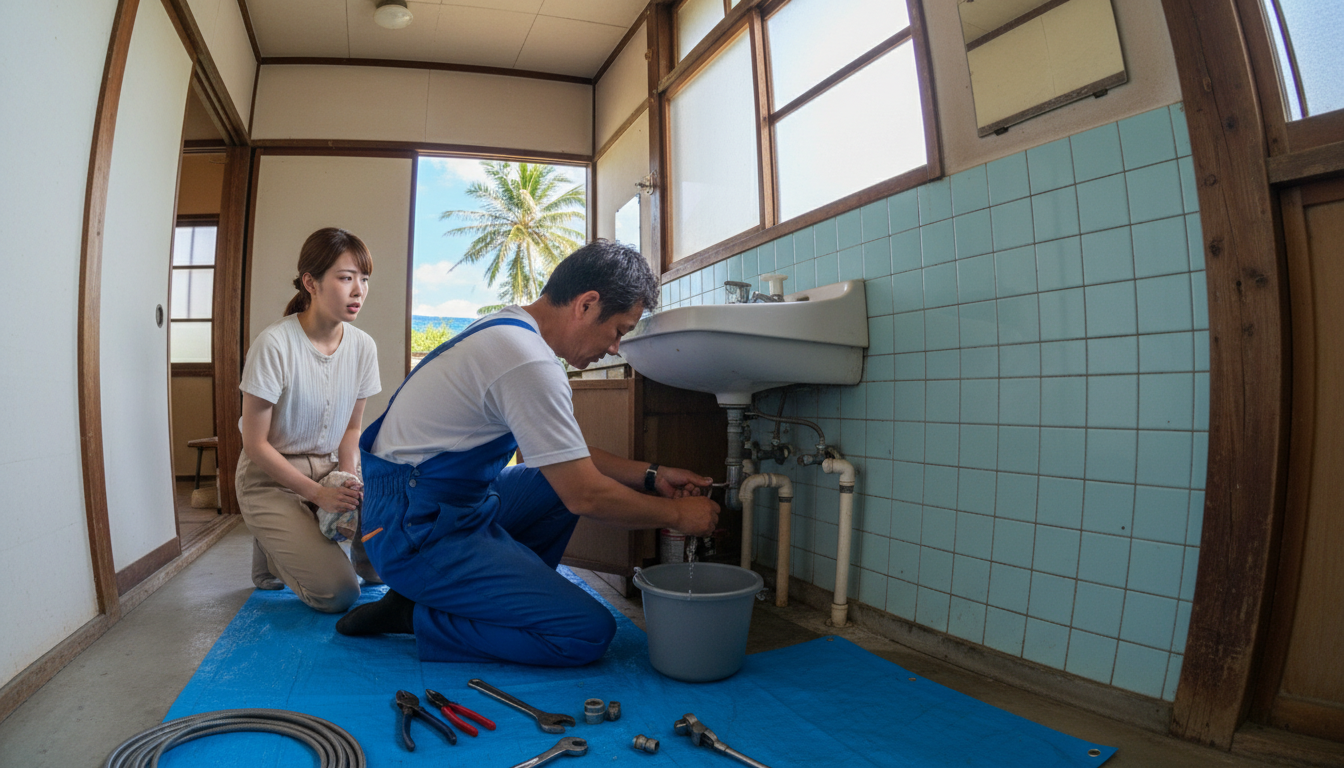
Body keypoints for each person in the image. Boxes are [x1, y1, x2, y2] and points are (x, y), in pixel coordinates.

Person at [336, 240, 719, 666]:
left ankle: (482, 596)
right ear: (587, 304)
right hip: (413, 530)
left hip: (438, 505)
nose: (614, 348)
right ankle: (422, 615)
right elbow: (586, 495)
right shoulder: (528, 363)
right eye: (619, 331)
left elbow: (567, 455)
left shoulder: (510, 329)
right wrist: (679, 516)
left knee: (551, 479)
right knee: (586, 634)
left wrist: (652, 474)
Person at [236, 227, 382, 613]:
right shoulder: (274, 344)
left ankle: (362, 561)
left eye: (364, 279)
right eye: (346, 277)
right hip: (271, 478)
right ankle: (272, 550)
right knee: (338, 594)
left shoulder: (363, 347)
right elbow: (255, 445)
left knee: (382, 559)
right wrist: (317, 495)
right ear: (310, 283)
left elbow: (352, 429)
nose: (358, 290)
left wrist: (347, 479)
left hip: (329, 468)